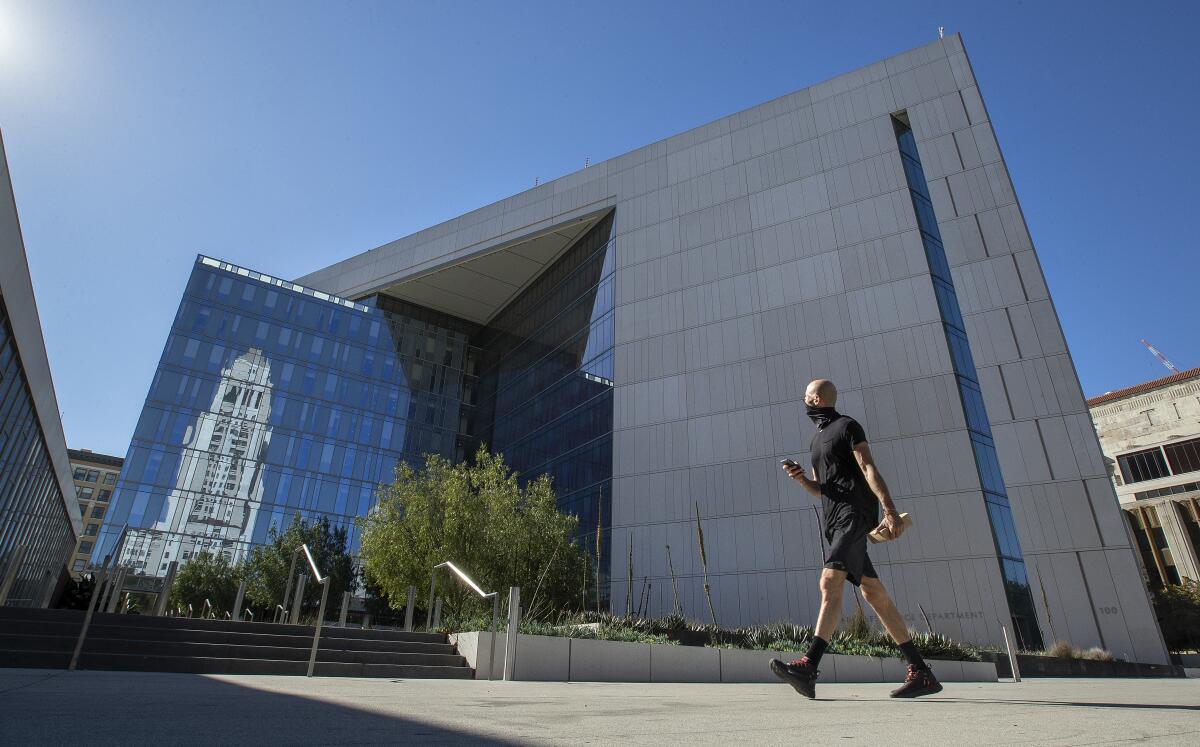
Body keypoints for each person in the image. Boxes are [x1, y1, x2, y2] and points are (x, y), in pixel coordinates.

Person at [769, 379, 942, 699]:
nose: (803, 400)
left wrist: (889, 510)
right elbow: (821, 489)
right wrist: (801, 479)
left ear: (817, 398)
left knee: (829, 582)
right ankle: (921, 672)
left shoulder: (847, 426)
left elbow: (868, 466)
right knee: (874, 594)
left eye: (806, 395)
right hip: (833, 521)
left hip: (855, 514)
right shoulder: (815, 441)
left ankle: (809, 666)